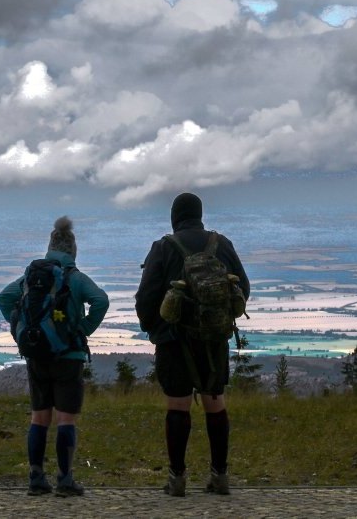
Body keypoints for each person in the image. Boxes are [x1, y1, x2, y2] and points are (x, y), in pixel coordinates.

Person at [135, 192, 250, 497]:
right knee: (215, 403)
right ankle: (220, 475)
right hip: (214, 340)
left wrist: (154, 329)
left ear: (174, 217)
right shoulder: (221, 244)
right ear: (200, 214)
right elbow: (244, 287)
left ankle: (177, 478)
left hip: (174, 341)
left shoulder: (163, 247)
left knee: (178, 405)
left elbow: (145, 297)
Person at [0, 216, 109, 497]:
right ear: (73, 250)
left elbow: (3, 298)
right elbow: (101, 300)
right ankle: (65, 479)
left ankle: (36, 478)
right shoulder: (76, 278)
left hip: (37, 355)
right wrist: (82, 329)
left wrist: (19, 329)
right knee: (66, 420)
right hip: (68, 357)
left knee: (39, 417)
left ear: (49, 247)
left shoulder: (31, 277)